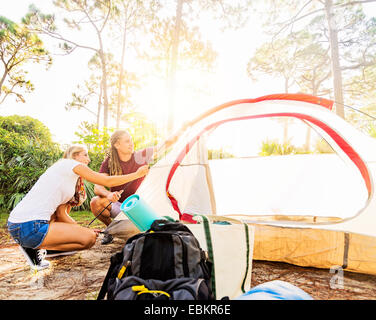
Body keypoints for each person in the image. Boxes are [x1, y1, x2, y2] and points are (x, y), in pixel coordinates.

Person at [7, 144, 149, 270]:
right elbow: (105, 180)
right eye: (85, 155)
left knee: (87, 237)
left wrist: (80, 230)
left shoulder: (64, 175)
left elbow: (61, 214)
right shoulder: (69, 164)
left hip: (18, 224)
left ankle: (37, 246)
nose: (88, 160)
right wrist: (136, 175)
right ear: (75, 156)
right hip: (30, 226)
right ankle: (36, 247)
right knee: (88, 239)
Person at [90, 128, 184, 244]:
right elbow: (97, 187)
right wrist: (109, 194)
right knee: (96, 202)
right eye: (127, 141)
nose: (131, 144)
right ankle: (112, 230)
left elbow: (164, 145)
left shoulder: (141, 155)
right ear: (117, 145)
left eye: (131, 140)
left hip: (140, 207)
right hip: (120, 206)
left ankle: (136, 230)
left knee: (141, 232)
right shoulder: (109, 162)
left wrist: (181, 130)